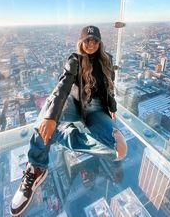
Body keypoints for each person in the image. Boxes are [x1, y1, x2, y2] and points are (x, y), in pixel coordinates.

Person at [10, 25, 127, 216]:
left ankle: (65, 136)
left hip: (97, 108)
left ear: (100, 42)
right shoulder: (75, 59)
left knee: (120, 150)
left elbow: (110, 88)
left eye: (95, 40)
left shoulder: (107, 61)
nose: (91, 44)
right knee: (46, 117)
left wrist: (112, 108)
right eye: (87, 40)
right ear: (81, 42)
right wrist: (51, 117)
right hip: (75, 103)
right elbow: (63, 85)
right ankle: (36, 168)